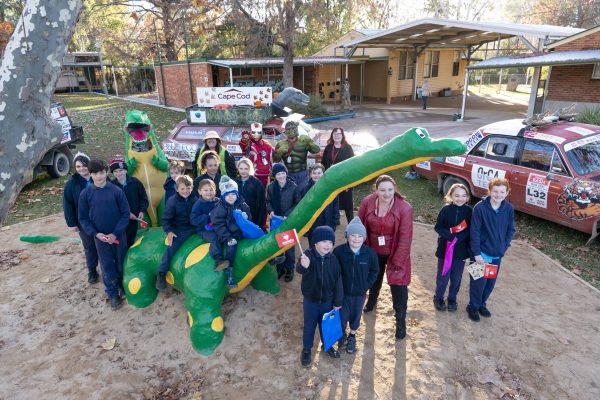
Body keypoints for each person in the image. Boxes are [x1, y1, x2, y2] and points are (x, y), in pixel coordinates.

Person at [358, 175, 413, 340]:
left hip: (395, 253)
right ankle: (372, 301)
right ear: (376, 189)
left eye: (390, 189)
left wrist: (397, 260)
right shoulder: (368, 202)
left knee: (398, 286)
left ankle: (400, 320)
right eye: (382, 190)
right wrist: (361, 248)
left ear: (395, 189)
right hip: (373, 250)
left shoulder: (404, 208)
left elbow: (405, 237)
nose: (386, 193)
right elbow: (359, 224)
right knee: (374, 278)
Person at [78, 160, 130, 310]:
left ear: (106, 172)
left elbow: (125, 214)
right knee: (106, 265)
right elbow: (83, 218)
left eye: (101, 173)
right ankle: (112, 293)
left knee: (121, 261)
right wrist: (96, 233)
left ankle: (122, 285)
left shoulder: (116, 191)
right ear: (90, 174)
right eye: (95, 173)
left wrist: (116, 233)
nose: (99, 176)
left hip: (118, 236)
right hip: (100, 238)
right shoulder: (86, 194)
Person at [467, 178, 515, 322]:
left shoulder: (508, 209)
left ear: (506, 193)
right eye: (495, 191)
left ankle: (482, 304)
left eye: (502, 192)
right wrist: (476, 253)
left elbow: (510, 229)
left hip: (496, 255)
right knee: (478, 282)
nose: (498, 195)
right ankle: (473, 306)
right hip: (480, 255)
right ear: (490, 191)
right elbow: (474, 231)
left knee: (489, 282)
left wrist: (504, 246)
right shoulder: (480, 208)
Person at [296, 226, 344, 367]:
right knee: (309, 327)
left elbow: (338, 281)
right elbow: (299, 269)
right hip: (310, 301)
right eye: (323, 241)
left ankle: (327, 345)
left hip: (327, 301)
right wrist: (304, 266)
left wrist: (337, 301)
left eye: (330, 242)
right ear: (315, 243)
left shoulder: (333, 260)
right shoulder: (307, 255)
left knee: (326, 326)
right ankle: (306, 350)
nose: (327, 245)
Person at [334, 217, 378, 354]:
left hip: (359, 293)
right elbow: (334, 271)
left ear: (364, 238)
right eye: (353, 235)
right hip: (343, 293)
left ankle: (352, 335)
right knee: (342, 316)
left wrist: (366, 285)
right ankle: (342, 336)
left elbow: (375, 270)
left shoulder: (369, 253)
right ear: (347, 236)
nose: (356, 239)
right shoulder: (339, 252)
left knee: (355, 315)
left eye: (360, 236)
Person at [433, 183, 472, 312]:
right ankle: (438, 298)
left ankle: (452, 299)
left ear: (467, 197)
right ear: (450, 196)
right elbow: (438, 227)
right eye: (457, 195)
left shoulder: (469, 211)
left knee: (456, 279)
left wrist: (459, 238)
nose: (460, 198)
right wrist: (449, 237)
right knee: (443, 278)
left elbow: (470, 229)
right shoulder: (445, 210)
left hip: (460, 252)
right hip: (445, 250)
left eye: (463, 196)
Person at [210, 176, 252, 289]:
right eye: (227, 194)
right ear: (223, 196)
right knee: (231, 247)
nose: (230, 197)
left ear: (237, 194)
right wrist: (228, 237)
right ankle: (229, 273)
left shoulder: (242, 204)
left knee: (256, 237)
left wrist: (246, 217)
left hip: (241, 232)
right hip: (229, 234)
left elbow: (248, 214)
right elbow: (218, 224)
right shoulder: (221, 208)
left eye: (233, 194)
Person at [63, 152, 99, 285]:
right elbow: (68, 204)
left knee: (103, 244)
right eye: (78, 167)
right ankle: (92, 271)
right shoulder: (72, 184)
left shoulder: (97, 178)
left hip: (100, 218)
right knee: (89, 247)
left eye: (84, 166)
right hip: (84, 221)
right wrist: (72, 223)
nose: (81, 169)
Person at [156, 175, 197, 290]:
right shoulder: (172, 201)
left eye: (188, 188)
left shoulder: (194, 199)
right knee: (172, 248)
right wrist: (169, 231)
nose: (186, 191)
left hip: (194, 227)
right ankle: (161, 273)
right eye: (182, 189)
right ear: (177, 189)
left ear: (192, 188)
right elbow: (165, 219)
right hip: (180, 229)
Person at [266, 163, 301, 282]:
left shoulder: (293, 187)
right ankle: (279, 268)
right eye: (278, 174)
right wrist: (270, 211)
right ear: (274, 176)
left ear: (286, 173)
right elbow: (268, 201)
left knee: (288, 245)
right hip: (276, 220)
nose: (281, 176)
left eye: (282, 173)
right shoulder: (271, 187)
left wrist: (288, 214)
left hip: (288, 220)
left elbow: (297, 203)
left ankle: (289, 268)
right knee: (278, 244)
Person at [110, 157, 149, 248]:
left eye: (121, 170)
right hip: (119, 220)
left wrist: (142, 211)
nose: (118, 173)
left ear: (126, 170)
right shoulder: (111, 186)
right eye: (115, 171)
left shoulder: (135, 182)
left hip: (134, 219)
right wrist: (126, 213)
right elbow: (111, 204)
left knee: (133, 240)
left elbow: (143, 198)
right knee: (122, 241)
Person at [190, 179, 227, 271]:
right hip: (203, 229)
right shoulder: (198, 204)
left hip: (217, 226)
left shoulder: (218, 201)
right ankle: (218, 259)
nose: (208, 192)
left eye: (211, 190)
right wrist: (208, 217)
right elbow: (193, 220)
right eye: (205, 190)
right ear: (200, 192)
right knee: (214, 237)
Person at [321, 127, 355, 224]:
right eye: (335, 134)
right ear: (332, 135)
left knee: (348, 205)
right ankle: (335, 221)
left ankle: (351, 224)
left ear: (342, 136)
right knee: (332, 203)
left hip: (344, 181)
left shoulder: (348, 148)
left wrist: (349, 184)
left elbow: (352, 166)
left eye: (339, 134)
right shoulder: (328, 148)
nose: (337, 136)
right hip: (331, 182)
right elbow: (323, 164)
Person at [300, 163, 339, 245]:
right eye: (314, 173)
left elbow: (335, 207)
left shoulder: (331, 188)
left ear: (323, 174)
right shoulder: (306, 189)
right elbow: (303, 209)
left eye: (319, 173)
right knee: (313, 244)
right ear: (310, 174)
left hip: (327, 222)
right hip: (313, 224)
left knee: (326, 245)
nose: (316, 175)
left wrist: (335, 222)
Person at [273, 121, 320, 189]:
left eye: (293, 129)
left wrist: (309, 141)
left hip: (302, 174)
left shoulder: (304, 141)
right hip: (288, 174)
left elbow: (316, 150)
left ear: (297, 129)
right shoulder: (280, 144)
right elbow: (276, 160)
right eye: (289, 129)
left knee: (302, 195)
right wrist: (280, 152)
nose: (291, 131)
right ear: (285, 131)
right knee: (290, 196)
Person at [238, 122, 274, 187]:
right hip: (253, 177)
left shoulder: (268, 146)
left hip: (266, 177)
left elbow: (272, 161)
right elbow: (243, 146)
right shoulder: (249, 145)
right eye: (254, 132)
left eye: (258, 132)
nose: (256, 135)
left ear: (262, 133)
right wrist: (244, 140)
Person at [234, 157, 266, 228]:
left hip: (253, 217)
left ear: (250, 169)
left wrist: (259, 223)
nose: (243, 171)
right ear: (238, 169)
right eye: (241, 168)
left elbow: (262, 204)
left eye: (246, 169)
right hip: (237, 217)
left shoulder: (257, 183)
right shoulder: (234, 182)